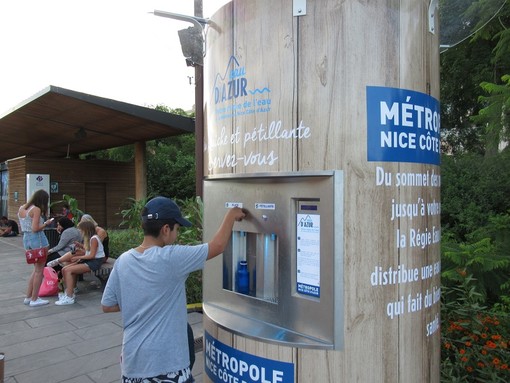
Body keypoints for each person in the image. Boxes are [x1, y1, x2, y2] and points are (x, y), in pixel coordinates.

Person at [101, 196, 246, 383]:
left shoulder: (124, 260)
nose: (176, 234)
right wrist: (232, 214)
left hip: (133, 364)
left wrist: (140, 300)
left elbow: (107, 305)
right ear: (165, 229)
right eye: (177, 229)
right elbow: (217, 246)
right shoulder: (171, 258)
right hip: (167, 365)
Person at [49, 220, 105, 305]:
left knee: (68, 270)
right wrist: (81, 246)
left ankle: (70, 296)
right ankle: (69, 291)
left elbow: (92, 255)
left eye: (81, 229)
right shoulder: (90, 238)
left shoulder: (94, 239)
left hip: (94, 262)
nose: (79, 231)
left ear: (86, 229)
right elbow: (89, 250)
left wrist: (78, 257)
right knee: (64, 269)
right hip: (90, 260)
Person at [18, 189, 54, 307]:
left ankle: (28, 297)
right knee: (39, 271)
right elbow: (35, 228)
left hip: (26, 239)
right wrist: (46, 223)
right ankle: (34, 299)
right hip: (38, 240)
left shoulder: (22, 208)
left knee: (35, 270)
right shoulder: (36, 209)